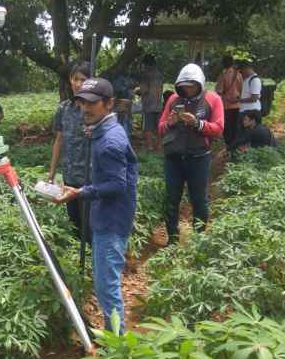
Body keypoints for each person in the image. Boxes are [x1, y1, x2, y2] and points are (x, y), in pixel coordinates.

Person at [54, 78, 138, 333]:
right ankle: (115, 337)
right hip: (106, 216)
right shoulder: (104, 131)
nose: (85, 109)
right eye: (81, 103)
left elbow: (117, 184)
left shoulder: (110, 141)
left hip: (111, 220)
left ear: (108, 103)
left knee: (107, 286)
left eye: (92, 103)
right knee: (105, 283)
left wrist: (81, 192)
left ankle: (118, 345)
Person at [158, 63, 224, 244]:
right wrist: (170, 123)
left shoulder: (213, 99)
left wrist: (198, 124)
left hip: (199, 158)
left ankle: (199, 240)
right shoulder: (173, 100)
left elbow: (218, 129)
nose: (187, 89)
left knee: (199, 199)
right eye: (184, 86)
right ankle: (172, 239)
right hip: (174, 159)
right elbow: (161, 128)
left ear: (200, 84)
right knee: (171, 199)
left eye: (191, 86)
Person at [48, 61, 91, 239]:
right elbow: (59, 140)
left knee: (90, 223)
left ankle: (91, 260)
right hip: (70, 174)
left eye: (83, 79)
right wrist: (51, 172)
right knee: (74, 221)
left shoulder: (95, 109)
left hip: (90, 175)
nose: (78, 83)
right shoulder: (64, 108)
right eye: (75, 79)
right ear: (70, 80)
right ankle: (78, 263)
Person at [136, 54, 164, 151]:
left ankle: (150, 146)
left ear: (145, 64)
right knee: (159, 126)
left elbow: (144, 90)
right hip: (159, 104)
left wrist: (136, 91)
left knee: (148, 127)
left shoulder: (145, 74)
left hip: (149, 105)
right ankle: (159, 145)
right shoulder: (159, 74)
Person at [215, 54, 242, 148]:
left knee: (227, 129)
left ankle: (230, 148)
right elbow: (241, 89)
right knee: (235, 128)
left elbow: (219, 91)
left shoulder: (223, 75)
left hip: (226, 106)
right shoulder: (238, 74)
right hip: (237, 105)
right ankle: (236, 148)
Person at [237, 58, 262, 130]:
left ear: (247, 68)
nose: (241, 72)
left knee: (249, 133)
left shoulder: (255, 80)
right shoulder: (246, 79)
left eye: (242, 70)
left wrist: (239, 100)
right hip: (244, 111)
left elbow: (254, 98)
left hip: (251, 112)